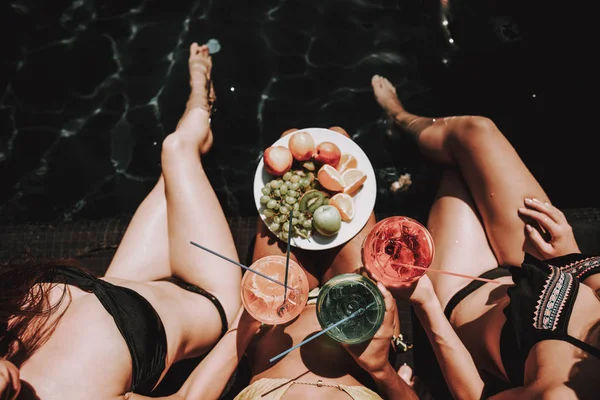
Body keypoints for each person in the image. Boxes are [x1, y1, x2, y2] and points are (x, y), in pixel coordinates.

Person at [0, 43, 242, 400]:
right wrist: (248, 323)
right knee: (176, 149)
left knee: (174, 167)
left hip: (123, 284)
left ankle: (199, 114)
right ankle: (200, 92)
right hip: (209, 295)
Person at [127, 125, 421, 400]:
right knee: (338, 142)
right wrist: (384, 372)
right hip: (361, 321)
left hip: (269, 322)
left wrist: (247, 323)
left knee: (290, 144)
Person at [370, 74, 600, 399]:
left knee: (452, 171)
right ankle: (399, 118)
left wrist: (427, 305)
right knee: (476, 132)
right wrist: (571, 255)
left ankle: (402, 140)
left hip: (469, 285)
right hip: (544, 263)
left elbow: (475, 396)